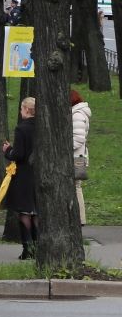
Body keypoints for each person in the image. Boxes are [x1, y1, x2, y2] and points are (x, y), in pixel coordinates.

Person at [2, 97, 38, 259]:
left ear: (26, 110)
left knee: (24, 212)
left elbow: (19, 154)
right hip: (38, 173)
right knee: (36, 212)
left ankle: (27, 249)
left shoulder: (21, 128)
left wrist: (7, 150)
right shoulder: (41, 126)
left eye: (22, 108)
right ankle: (38, 246)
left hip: (24, 174)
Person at [71, 90, 90, 226]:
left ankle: (80, 218)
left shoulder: (77, 114)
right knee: (76, 186)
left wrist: (62, 148)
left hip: (76, 157)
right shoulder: (79, 113)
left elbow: (78, 139)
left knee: (76, 186)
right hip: (78, 155)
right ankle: (79, 218)